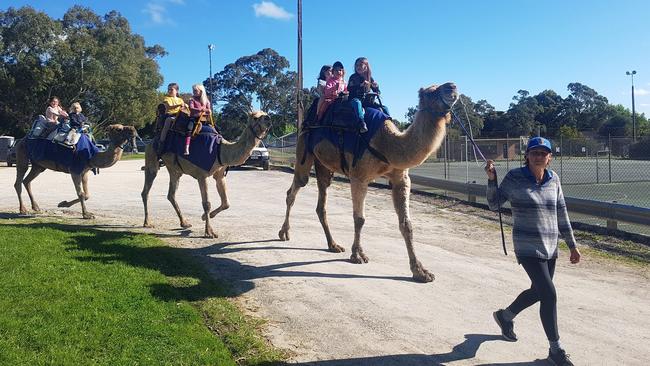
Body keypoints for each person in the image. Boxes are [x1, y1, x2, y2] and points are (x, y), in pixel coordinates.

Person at [485, 136, 581, 366]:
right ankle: (555, 350)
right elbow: (494, 204)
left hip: (550, 245)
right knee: (549, 294)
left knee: (538, 292)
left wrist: (572, 244)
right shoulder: (515, 177)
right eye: (534, 152)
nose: (538, 156)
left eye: (543, 153)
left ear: (549, 158)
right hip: (527, 245)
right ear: (526, 155)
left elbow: (561, 213)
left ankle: (505, 316)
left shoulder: (554, 179)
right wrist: (491, 181)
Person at [348, 57, 390, 132]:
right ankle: (361, 122)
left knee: (384, 108)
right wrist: (360, 85)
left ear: (366, 67)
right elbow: (349, 88)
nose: (358, 67)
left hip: (367, 101)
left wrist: (376, 87)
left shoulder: (370, 78)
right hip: (355, 99)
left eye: (361, 65)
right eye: (356, 65)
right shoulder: (353, 77)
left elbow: (377, 92)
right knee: (357, 103)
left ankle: (389, 123)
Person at [157, 83, 186, 155]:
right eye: (168, 89)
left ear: (177, 91)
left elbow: (184, 108)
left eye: (171, 89)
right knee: (168, 121)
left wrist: (185, 106)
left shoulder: (180, 99)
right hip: (170, 115)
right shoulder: (167, 98)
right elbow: (169, 106)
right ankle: (161, 142)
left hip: (179, 116)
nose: (169, 91)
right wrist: (179, 105)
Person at [184, 84, 212, 155]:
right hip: (194, 118)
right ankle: (186, 147)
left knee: (215, 129)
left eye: (195, 90)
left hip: (204, 119)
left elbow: (208, 109)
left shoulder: (206, 101)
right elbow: (191, 108)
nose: (194, 92)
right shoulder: (192, 99)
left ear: (201, 91)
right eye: (193, 90)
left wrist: (209, 111)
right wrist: (200, 109)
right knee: (189, 129)